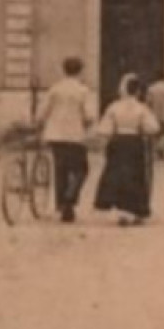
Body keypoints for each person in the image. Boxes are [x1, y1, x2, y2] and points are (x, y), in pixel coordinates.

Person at [33, 57, 98, 222]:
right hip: (75, 136)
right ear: (80, 71)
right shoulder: (83, 91)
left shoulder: (55, 89)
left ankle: (62, 205)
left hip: (55, 135)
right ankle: (70, 197)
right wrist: (87, 125)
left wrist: (39, 124)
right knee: (81, 170)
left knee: (60, 170)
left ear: (64, 70)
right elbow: (90, 116)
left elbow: (41, 113)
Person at [93, 73, 161, 226]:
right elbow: (153, 127)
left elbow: (104, 129)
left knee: (117, 175)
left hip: (117, 142)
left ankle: (121, 211)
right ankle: (134, 210)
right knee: (135, 177)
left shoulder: (114, 106)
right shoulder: (141, 108)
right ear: (137, 91)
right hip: (134, 143)